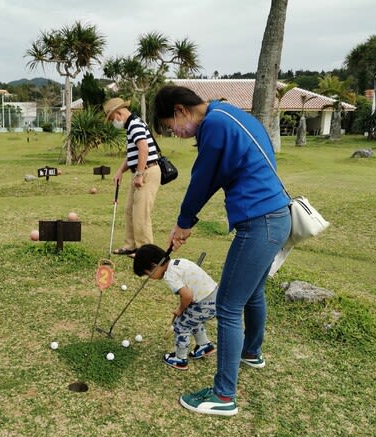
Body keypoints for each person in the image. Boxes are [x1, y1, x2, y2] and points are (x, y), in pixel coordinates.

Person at [152, 85, 291, 416]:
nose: (177, 134)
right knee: (252, 293)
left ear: (181, 110)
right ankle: (251, 353)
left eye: (172, 127)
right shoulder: (228, 114)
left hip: (260, 222)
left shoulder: (215, 125)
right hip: (277, 217)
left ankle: (223, 396)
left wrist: (184, 222)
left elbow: (203, 179)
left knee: (228, 306)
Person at [133, 244, 217, 371]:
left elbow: (187, 296)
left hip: (203, 303)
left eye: (148, 274)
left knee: (181, 325)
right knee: (192, 320)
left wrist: (180, 310)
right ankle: (204, 345)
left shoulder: (169, 275)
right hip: (215, 297)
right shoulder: (179, 262)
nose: (150, 278)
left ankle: (180, 359)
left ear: (154, 266)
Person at [103, 97, 161, 258]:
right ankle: (131, 245)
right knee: (130, 210)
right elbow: (133, 154)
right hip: (140, 171)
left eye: (112, 118)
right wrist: (120, 171)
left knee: (141, 213)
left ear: (119, 113)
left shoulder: (135, 125)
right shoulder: (131, 125)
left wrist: (139, 174)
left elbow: (143, 149)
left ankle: (145, 251)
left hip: (147, 172)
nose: (113, 122)